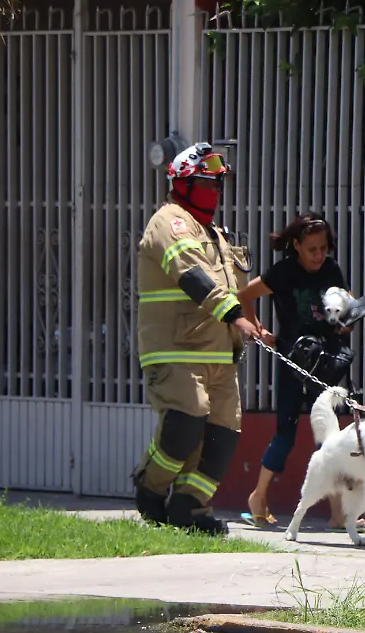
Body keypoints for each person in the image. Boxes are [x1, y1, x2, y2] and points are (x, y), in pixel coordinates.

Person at [131, 142, 260, 536]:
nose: (214, 193)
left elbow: (233, 287)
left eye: (218, 186)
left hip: (220, 355)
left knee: (223, 434)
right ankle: (150, 489)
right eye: (206, 184)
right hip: (176, 350)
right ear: (182, 184)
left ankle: (189, 506)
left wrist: (252, 321)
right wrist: (235, 316)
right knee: (186, 422)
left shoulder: (216, 234)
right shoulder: (170, 222)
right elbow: (192, 277)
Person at [237, 212, 362, 529]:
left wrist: (347, 321)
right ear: (296, 246)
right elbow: (244, 295)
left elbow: (344, 311)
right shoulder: (283, 273)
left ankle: (337, 514)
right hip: (295, 361)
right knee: (286, 434)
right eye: (312, 250)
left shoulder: (331, 269)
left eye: (323, 248)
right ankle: (258, 497)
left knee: (329, 437)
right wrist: (256, 327)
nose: (319, 256)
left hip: (326, 362)